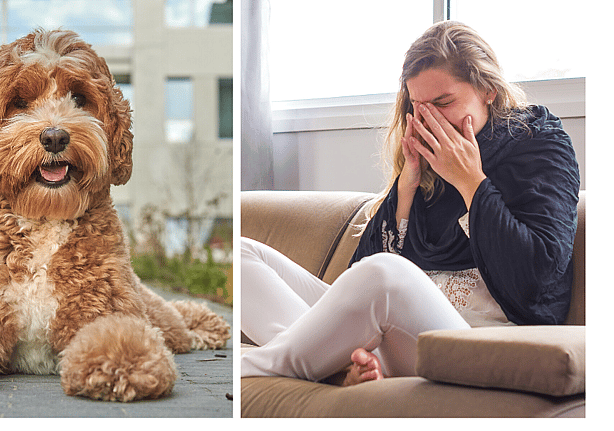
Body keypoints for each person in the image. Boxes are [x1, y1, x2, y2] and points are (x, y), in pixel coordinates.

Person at [241, 21, 580, 385]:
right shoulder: (425, 170)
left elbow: (537, 277)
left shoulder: (541, 144)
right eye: (418, 106)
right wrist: (406, 190)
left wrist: (470, 182)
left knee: (385, 273)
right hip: (396, 332)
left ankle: (254, 368)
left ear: (489, 90)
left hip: (472, 338)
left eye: (444, 103)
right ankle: (329, 365)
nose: (430, 119)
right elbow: (353, 281)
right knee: (240, 255)